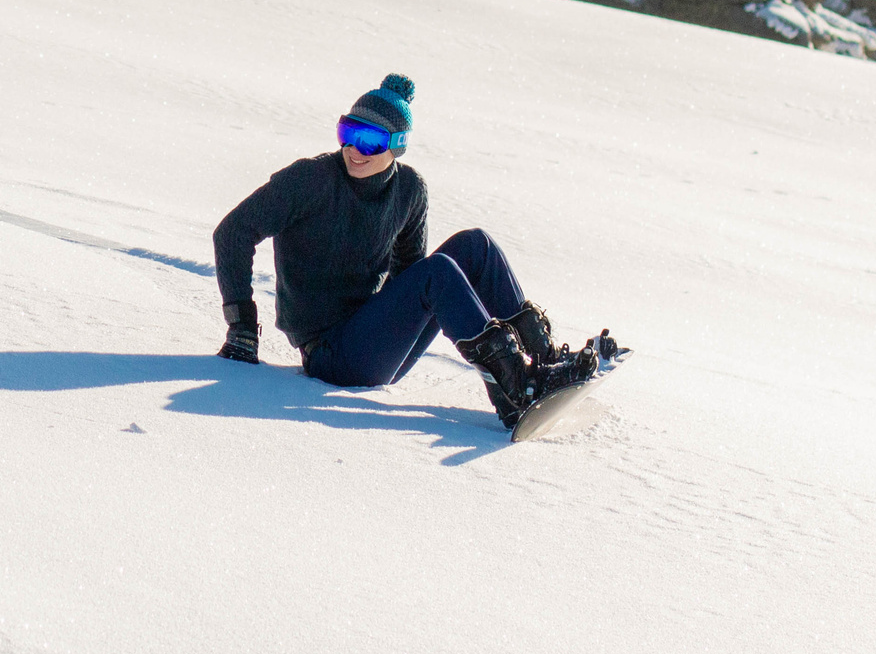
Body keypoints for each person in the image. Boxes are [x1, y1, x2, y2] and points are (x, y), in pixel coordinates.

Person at [209, 73, 618, 431]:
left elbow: (409, 282)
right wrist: (242, 327)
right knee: (437, 271)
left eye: (370, 141)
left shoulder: (409, 190)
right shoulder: (309, 180)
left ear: (397, 146)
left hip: (374, 343)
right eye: (348, 133)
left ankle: (543, 363)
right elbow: (232, 233)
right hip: (331, 357)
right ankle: (512, 390)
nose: (355, 150)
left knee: (475, 245)